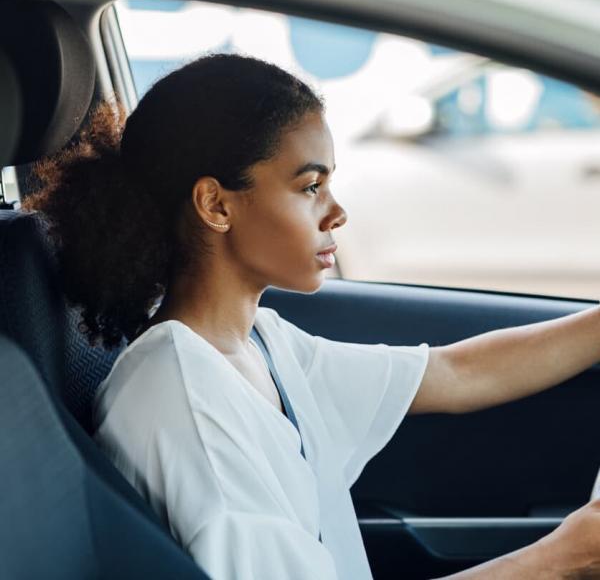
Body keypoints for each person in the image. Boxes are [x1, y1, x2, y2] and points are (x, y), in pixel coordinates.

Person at [23, 52, 600, 579]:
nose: (337, 212)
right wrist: (563, 557)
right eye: (310, 187)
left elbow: (455, 374)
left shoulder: (258, 345)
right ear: (216, 204)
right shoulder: (183, 404)